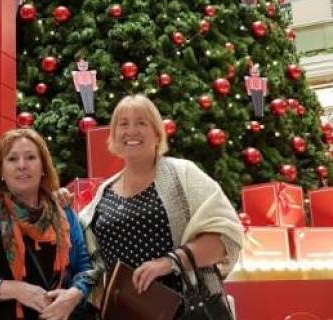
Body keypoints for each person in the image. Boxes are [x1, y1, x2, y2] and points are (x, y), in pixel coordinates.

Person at [78, 94, 243, 316]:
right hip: (125, 314)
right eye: (123, 124)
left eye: (141, 123)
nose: (131, 131)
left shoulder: (183, 174)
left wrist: (170, 262)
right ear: (114, 136)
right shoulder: (103, 193)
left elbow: (225, 237)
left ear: (156, 133)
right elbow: (86, 252)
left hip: (186, 311)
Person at [0, 128, 94, 320]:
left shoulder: (66, 215)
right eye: (12, 159)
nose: (22, 165)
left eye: (30, 157)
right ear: (2, 172)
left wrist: (74, 294)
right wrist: (14, 289)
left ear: (43, 168)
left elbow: (85, 269)